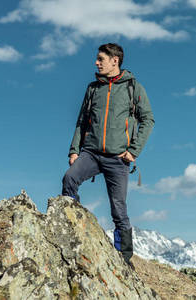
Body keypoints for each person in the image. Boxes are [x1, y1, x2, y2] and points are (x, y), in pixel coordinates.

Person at [62, 43, 154, 264]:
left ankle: (124, 257)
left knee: (118, 209)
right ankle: (70, 228)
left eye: (100, 59)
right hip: (91, 153)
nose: (96, 62)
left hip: (118, 158)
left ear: (115, 60)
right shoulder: (93, 88)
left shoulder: (133, 87)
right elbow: (81, 122)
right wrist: (74, 150)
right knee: (69, 178)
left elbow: (148, 119)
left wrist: (134, 151)